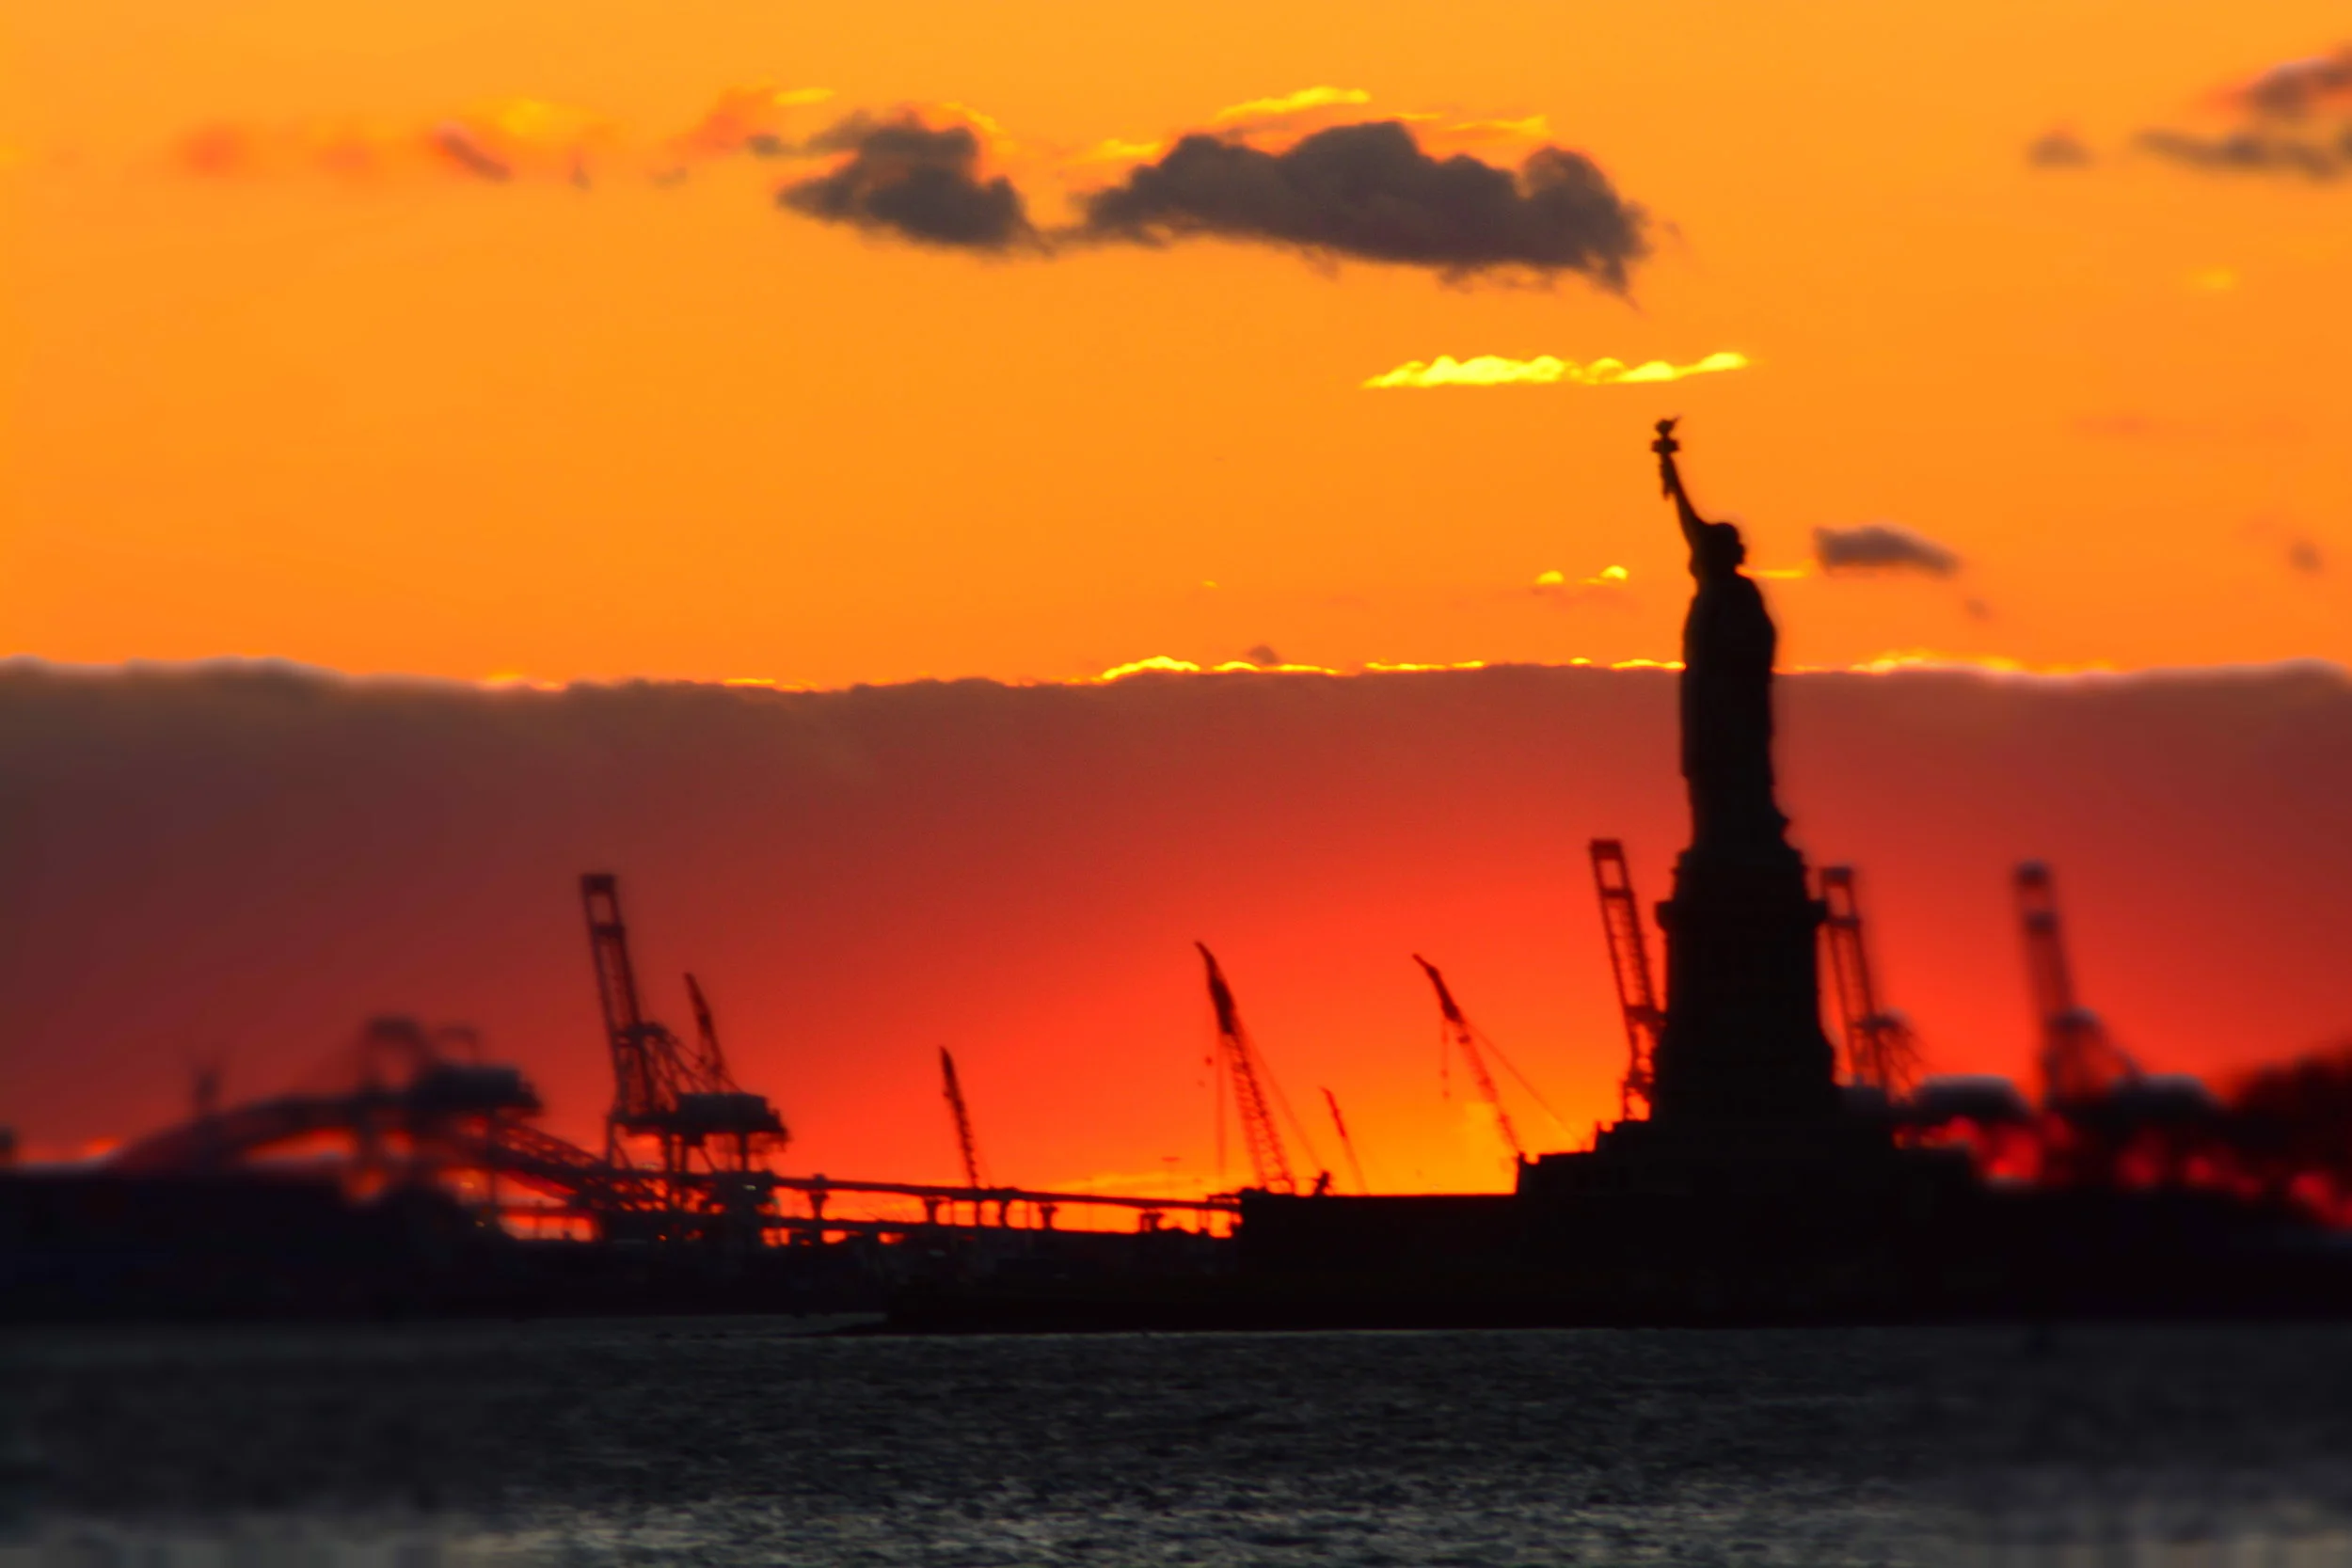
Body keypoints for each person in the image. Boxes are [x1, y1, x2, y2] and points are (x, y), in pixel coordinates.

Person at [1652, 419, 1790, 859]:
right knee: (1708, 772)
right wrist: (1669, 466)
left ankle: (1746, 832)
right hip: (1706, 701)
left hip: (1736, 705)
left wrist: (1735, 669)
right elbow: (1689, 522)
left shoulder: (1740, 594)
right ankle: (1716, 837)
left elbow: (1760, 645)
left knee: (1739, 771)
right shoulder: (1714, 590)